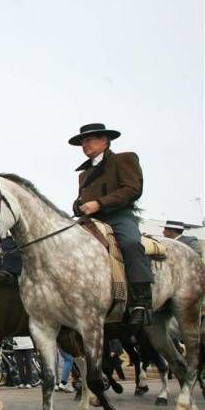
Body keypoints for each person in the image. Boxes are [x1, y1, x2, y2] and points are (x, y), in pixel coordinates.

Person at [69, 123, 154, 325]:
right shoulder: (83, 173)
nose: (84, 144)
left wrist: (100, 203)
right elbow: (83, 199)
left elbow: (132, 189)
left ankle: (142, 302)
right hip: (90, 221)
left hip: (119, 215)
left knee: (131, 243)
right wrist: (77, 205)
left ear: (105, 140)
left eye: (89, 139)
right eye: (82, 141)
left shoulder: (123, 159)